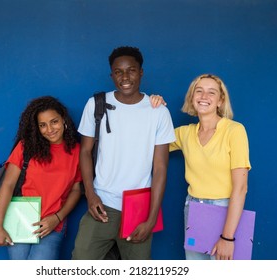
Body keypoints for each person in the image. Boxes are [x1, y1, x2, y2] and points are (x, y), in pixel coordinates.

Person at [72, 46, 176, 260]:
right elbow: (85, 152)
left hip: (138, 209)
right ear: (111, 75)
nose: (125, 77)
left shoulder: (159, 112)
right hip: (102, 205)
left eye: (131, 70)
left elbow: (160, 168)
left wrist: (152, 218)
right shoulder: (96, 104)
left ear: (141, 72)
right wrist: (90, 195)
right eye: (118, 72)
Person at [169, 74, 251, 260]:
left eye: (211, 92)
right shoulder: (185, 133)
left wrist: (227, 237)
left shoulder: (234, 131)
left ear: (220, 101)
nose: (204, 96)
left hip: (225, 209)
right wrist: (152, 106)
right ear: (192, 97)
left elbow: (241, 187)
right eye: (199, 91)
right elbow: (151, 143)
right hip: (194, 208)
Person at [0, 96, 82, 260]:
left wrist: (57, 218)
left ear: (63, 120)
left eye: (54, 121)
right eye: (42, 125)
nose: (49, 129)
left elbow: (76, 190)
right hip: (20, 219)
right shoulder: (26, 147)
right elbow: (8, 185)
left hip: (52, 224)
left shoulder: (76, 151)